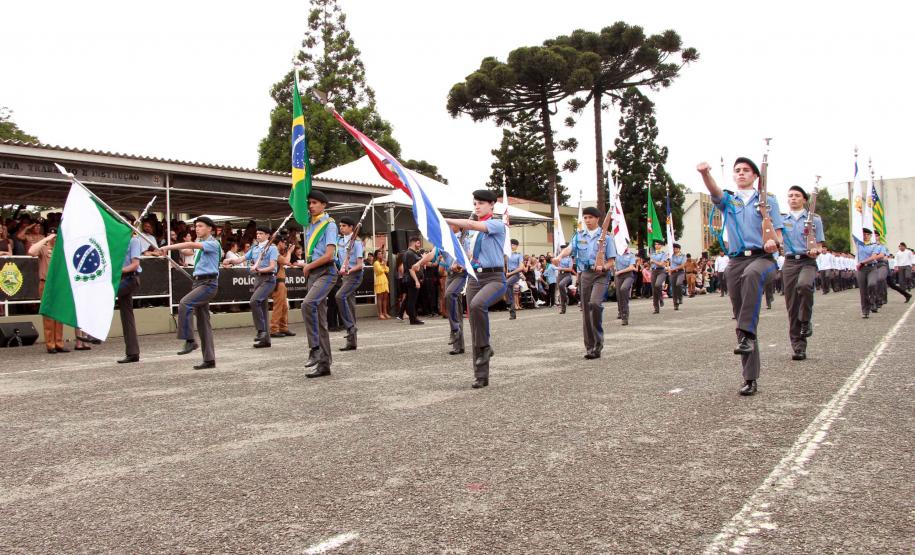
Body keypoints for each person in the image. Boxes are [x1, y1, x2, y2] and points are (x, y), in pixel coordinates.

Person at [698, 156, 784, 397]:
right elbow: (714, 192)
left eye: (746, 170)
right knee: (741, 318)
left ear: (756, 176)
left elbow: (779, 236)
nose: (741, 173)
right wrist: (704, 174)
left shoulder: (768, 202)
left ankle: (747, 333)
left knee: (752, 276)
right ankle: (749, 377)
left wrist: (772, 243)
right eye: (737, 171)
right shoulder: (730, 201)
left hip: (763, 260)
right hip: (736, 260)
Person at [445, 190, 507, 389]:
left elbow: (472, 224)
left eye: (481, 203)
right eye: (475, 203)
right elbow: (472, 253)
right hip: (475, 277)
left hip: (494, 277)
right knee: (474, 323)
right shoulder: (470, 232)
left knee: (478, 304)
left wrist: (444, 218)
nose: (477, 206)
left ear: (491, 205)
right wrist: (462, 263)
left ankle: (485, 346)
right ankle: (480, 375)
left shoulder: (496, 224)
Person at [155, 217, 221, 369]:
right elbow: (186, 249)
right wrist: (167, 253)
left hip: (208, 284)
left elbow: (189, 244)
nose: (197, 229)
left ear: (210, 229)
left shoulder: (212, 243)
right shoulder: (202, 246)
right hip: (199, 282)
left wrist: (166, 247)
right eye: (195, 226)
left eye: (200, 226)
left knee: (185, 303)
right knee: (203, 323)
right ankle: (209, 359)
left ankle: (190, 340)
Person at [553, 207, 616, 358]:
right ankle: (590, 347)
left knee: (595, 303)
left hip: (601, 275)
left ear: (597, 219)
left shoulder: (606, 238)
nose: (587, 220)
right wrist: (560, 256)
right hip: (585, 274)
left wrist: (603, 267)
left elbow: (612, 261)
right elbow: (570, 248)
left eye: (590, 217)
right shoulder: (579, 235)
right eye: (585, 217)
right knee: (586, 310)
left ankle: (598, 342)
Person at [293, 190, 339, 378]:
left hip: (326, 272)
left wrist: (309, 265)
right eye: (309, 203)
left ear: (323, 205)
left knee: (307, 304)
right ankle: (324, 364)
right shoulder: (309, 225)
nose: (310, 206)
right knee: (320, 321)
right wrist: (307, 265)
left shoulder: (329, 225)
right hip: (313, 273)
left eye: (314, 203)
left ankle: (314, 349)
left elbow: (329, 255)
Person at [780, 186, 824, 361]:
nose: (793, 198)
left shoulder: (815, 219)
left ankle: (806, 320)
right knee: (792, 307)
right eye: (790, 195)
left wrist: (816, 250)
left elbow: (820, 244)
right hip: (790, 262)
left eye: (797, 195)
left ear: (804, 200)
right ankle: (798, 346)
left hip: (807, 261)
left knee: (805, 285)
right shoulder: (782, 220)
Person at [223, 225, 278, 348]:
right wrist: (230, 261)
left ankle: (261, 331)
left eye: (261, 234)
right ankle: (266, 340)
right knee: (262, 308)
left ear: (268, 235)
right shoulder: (255, 248)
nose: (258, 235)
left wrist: (259, 268)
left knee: (254, 301)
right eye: (257, 233)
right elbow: (241, 259)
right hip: (258, 278)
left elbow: (272, 267)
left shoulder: (272, 248)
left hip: (268, 278)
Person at [28, 231, 68, 353]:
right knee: (48, 315)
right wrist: (46, 239)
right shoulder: (44, 249)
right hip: (46, 283)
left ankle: (59, 343)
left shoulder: (61, 249)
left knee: (59, 314)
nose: (55, 238)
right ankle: (50, 344)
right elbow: (31, 252)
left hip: (59, 284)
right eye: (53, 235)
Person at [116, 213, 144, 363]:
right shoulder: (120, 241)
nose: (122, 223)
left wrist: (118, 271)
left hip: (130, 278)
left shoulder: (134, 241)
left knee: (105, 297)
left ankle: (93, 335)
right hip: (123, 279)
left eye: (125, 221)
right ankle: (133, 353)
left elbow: (135, 264)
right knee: (126, 316)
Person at [335, 217, 365, 351]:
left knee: (339, 296)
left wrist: (349, 270)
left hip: (354, 275)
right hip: (345, 276)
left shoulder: (357, 243)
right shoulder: (340, 241)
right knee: (350, 306)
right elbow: (337, 260)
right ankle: (352, 342)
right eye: (340, 226)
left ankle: (351, 327)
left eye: (344, 226)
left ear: (351, 227)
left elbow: (360, 265)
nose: (341, 228)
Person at [269, 237, 296, 338]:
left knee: (284, 306)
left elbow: (284, 261)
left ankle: (283, 327)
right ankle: (274, 329)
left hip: (281, 282)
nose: (284, 245)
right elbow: (285, 261)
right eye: (283, 243)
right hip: (278, 282)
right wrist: (289, 252)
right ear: (279, 243)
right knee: (279, 306)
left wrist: (287, 252)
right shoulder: (274, 251)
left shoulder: (275, 252)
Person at [399, 236, 424, 325]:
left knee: (411, 299)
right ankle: (413, 319)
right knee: (411, 300)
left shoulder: (411, 253)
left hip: (410, 278)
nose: (420, 245)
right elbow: (410, 269)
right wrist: (416, 281)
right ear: (413, 243)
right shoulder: (410, 253)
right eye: (418, 243)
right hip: (411, 279)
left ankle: (413, 318)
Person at [614, 249, 637, 326]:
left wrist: (619, 271)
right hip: (618, 277)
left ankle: (625, 317)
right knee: (619, 295)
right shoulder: (616, 254)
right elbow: (611, 263)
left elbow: (631, 267)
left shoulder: (631, 255)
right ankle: (620, 312)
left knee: (623, 289)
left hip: (628, 276)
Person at [505, 239, 524, 319]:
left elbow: (521, 268)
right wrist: (506, 272)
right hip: (508, 274)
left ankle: (509, 303)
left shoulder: (519, 255)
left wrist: (510, 273)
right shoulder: (506, 254)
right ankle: (512, 313)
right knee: (511, 293)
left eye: (513, 244)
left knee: (506, 284)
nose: (511, 246)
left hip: (515, 274)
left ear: (516, 246)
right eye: (510, 244)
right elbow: (504, 264)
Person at [649, 240, 668, 314]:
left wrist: (654, 261)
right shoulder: (652, 254)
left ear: (661, 246)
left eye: (658, 244)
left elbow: (662, 264)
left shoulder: (664, 254)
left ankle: (661, 297)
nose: (656, 245)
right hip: (654, 271)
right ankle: (656, 308)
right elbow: (651, 264)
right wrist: (650, 262)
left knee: (658, 284)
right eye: (655, 244)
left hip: (661, 271)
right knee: (654, 290)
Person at [372, 248, 391, 320]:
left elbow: (387, 270)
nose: (381, 255)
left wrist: (384, 264)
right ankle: (380, 314)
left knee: (385, 297)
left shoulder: (382, 262)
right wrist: (383, 264)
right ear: (376, 256)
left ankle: (385, 312)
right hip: (379, 279)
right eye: (379, 254)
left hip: (384, 279)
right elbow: (380, 271)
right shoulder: (376, 263)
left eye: (381, 253)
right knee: (380, 297)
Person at [556, 245, 574, 314]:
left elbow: (570, 269)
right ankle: (563, 309)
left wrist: (561, 268)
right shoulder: (559, 258)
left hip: (567, 275)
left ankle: (566, 298)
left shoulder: (569, 259)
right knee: (560, 292)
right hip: (560, 274)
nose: (563, 251)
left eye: (564, 250)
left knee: (561, 285)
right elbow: (556, 265)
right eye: (562, 250)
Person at [669, 243, 686, 310]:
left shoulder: (683, 256)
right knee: (674, 289)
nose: (674, 250)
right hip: (673, 273)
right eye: (673, 248)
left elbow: (682, 265)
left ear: (679, 249)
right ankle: (675, 304)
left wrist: (674, 268)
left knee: (678, 284)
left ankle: (680, 297)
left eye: (676, 248)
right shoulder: (671, 255)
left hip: (680, 272)